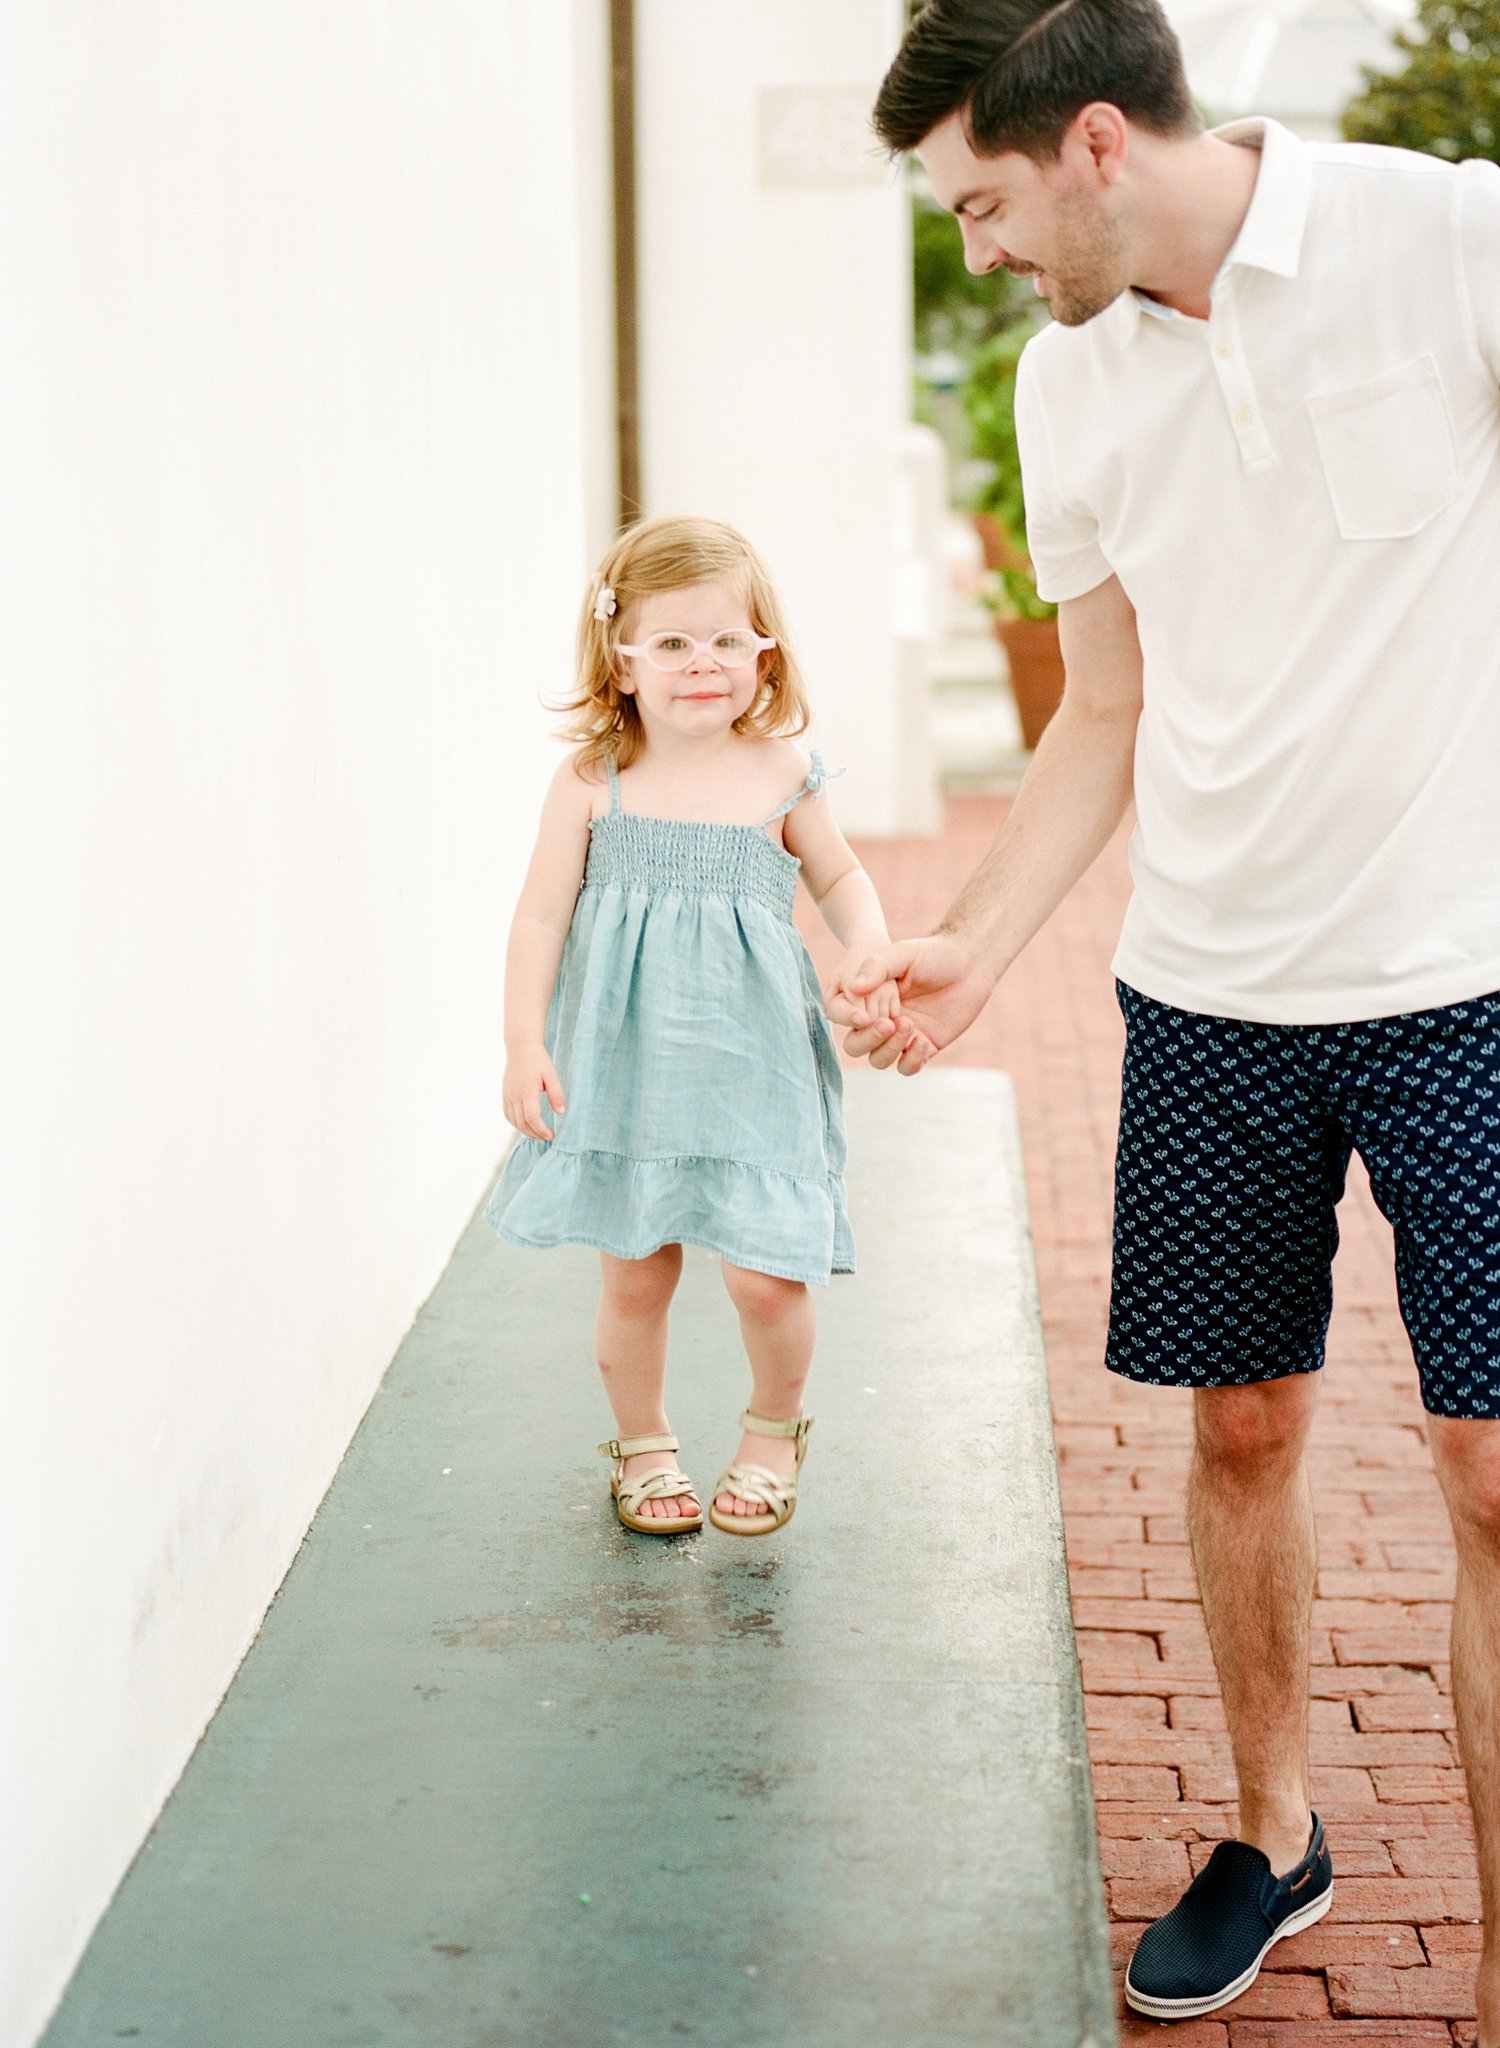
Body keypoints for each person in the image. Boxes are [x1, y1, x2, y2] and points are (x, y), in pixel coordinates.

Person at [834, 0, 1500, 2032]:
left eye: (984, 205)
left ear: (1098, 143)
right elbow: (1103, 712)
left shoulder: (1447, 239)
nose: (983, 252)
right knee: (1242, 1425)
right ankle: (1279, 1826)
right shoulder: (1068, 388)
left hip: (1467, 978)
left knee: (1489, 1470)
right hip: (1210, 990)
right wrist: (976, 937)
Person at [489, 514, 898, 1539]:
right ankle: (643, 1438)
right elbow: (540, 913)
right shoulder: (594, 782)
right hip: (625, 1068)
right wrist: (523, 1041)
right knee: (636, 1267)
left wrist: (867, 945)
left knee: (765, 1276)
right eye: (672, 643)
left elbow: (840, 874)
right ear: (621, 661)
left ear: (766, 653)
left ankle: (773, 1426)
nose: (701, 664)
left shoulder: (780, 771)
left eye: (726, 639)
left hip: (753, 1064)